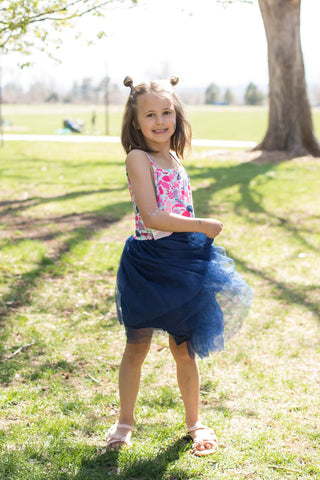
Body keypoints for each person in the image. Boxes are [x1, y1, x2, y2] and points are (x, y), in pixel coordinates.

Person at [106, 76, 253, 456]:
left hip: (183, 262)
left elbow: (177, 207)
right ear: (135, 122)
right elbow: (153, 216)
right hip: (148, 264)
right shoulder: (138, 158)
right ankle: (124, 421)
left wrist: (194, 233)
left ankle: (195, 422)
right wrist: (202, 225)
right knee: (136, 347)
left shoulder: (174, 157)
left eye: (166, 112)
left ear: (177, 115)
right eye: (150, 114)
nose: (159, 121)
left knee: (183, 349)